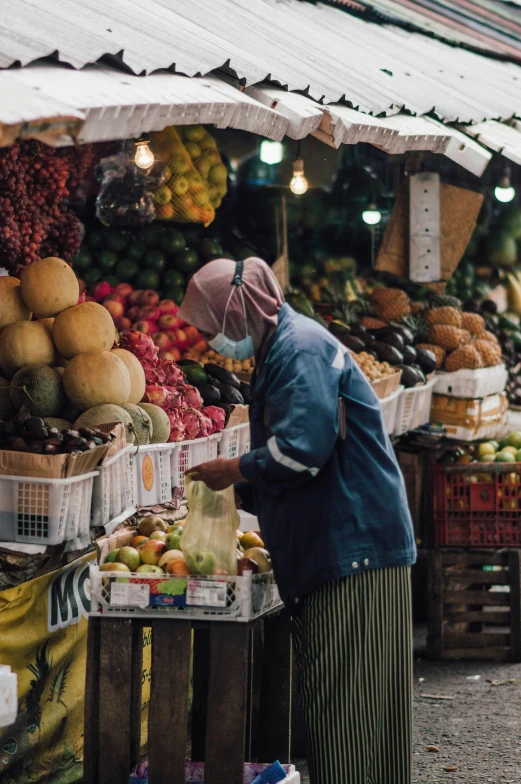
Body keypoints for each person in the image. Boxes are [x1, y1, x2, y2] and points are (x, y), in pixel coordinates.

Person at [179, 256, 416, 784]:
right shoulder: (287, 345)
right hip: (352, 543)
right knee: (368, 703)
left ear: (240, 309)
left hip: (352, 547)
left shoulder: (299, 348)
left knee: (347, 704)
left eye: (213, 323)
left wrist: (233, 469)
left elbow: (302, 451)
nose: (211, 338)